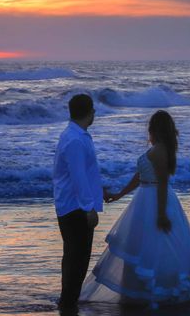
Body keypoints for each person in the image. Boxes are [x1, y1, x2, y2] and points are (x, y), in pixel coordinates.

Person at [79, 110, 190, 309]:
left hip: (155, 200)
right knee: (138, 247)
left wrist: (162, 214)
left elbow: (162, 183)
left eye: (151, 127)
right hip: (144, 198)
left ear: (156, 129)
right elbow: (140, 176)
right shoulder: (158, 148)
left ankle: (155, 294)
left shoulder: (161, 150)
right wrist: (119, 194)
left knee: (156, 249)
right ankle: (137, 293)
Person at [53, 94, 107, 310]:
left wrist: (99, 192)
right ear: (89, 112)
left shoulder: (76, 135)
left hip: (72, 204)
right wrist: (88, 208)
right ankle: (68, 303)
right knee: (78, 258)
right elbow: (77, 176)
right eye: (93, 109)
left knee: (74, 257)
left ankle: (68, 301)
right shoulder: (74, 139)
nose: (95, 113)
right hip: (75, 207)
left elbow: (84, 173)